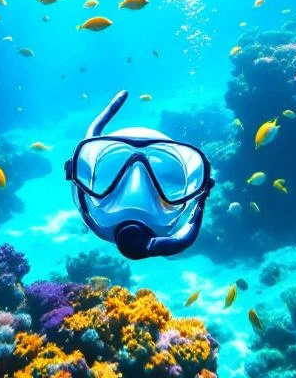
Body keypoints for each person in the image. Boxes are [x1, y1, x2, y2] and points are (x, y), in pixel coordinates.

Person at [65, 90, 214, 259]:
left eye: (156, 173)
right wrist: (200, 205)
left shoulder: (96, 214)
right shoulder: (165, 224)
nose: (135, 190)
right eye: (112, 170)